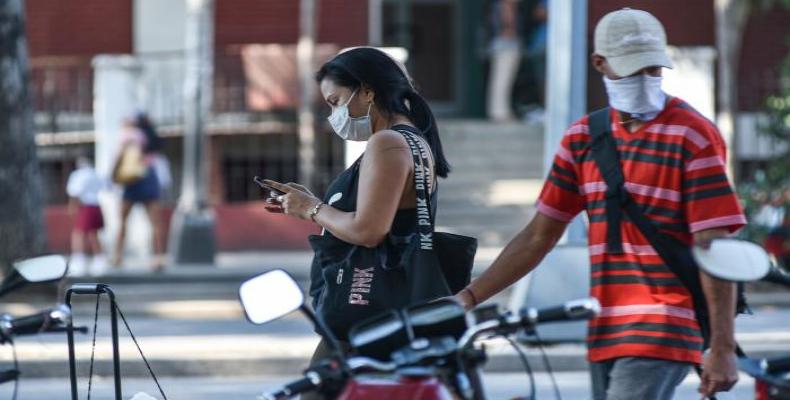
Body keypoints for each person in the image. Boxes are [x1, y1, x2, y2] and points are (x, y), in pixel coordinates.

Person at [455, 9, 746, 400]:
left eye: (653, 69)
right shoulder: (582, 139)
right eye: (630, 70)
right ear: (600, 64)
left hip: (664, 326)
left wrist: (724, 347)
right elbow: (539, 235)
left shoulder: (692, 135)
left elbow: (715, 247)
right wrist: (469, 298)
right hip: (604, 326)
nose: (644, 80)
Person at [260, 47, 451, 397]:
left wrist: (312, 210)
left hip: (367, 312)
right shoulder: (412, 141)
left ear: (366, 90)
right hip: (391, 309)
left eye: (336, 102)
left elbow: (369, 230)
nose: (334, 114)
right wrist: (312, 202)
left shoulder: (388, 143)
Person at [111, 113, 166, 272]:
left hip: (132, 179)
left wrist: (113, 173)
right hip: (149, 176)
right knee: (155, 222)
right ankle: (158, 258)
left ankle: (118, 256)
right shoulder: (150, 136)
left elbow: (120, 154)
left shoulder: (130, 134)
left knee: (123, 220)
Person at [66, 156, 107, 276]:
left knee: (78, 233)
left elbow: (75, 192)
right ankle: (99, 260)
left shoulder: (79, 175)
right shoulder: (96, 174)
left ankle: (79, 261)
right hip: (96, 205)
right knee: (94, 234)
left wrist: (72, 206)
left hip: (85, 207)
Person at [487, 0, 522, 121]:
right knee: (502, 81)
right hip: (506, 45)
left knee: (500, 81)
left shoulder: (501, 6)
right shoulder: (505, 6)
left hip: (503, 44)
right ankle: (500, 112)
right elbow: (508, 26)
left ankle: (499, 111)